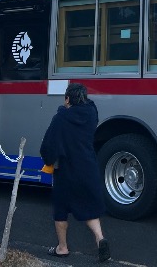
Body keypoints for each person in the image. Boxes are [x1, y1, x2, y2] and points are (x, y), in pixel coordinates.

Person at [40, 82, 111, 262]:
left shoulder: (61, 118)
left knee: (61, 210)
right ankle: (100, 238)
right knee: (88, 208)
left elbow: (48, 145)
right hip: (88, 168)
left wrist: (48, 160)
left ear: (68, 99)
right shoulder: (92, 113)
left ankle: (62, 248)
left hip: (66, 170)